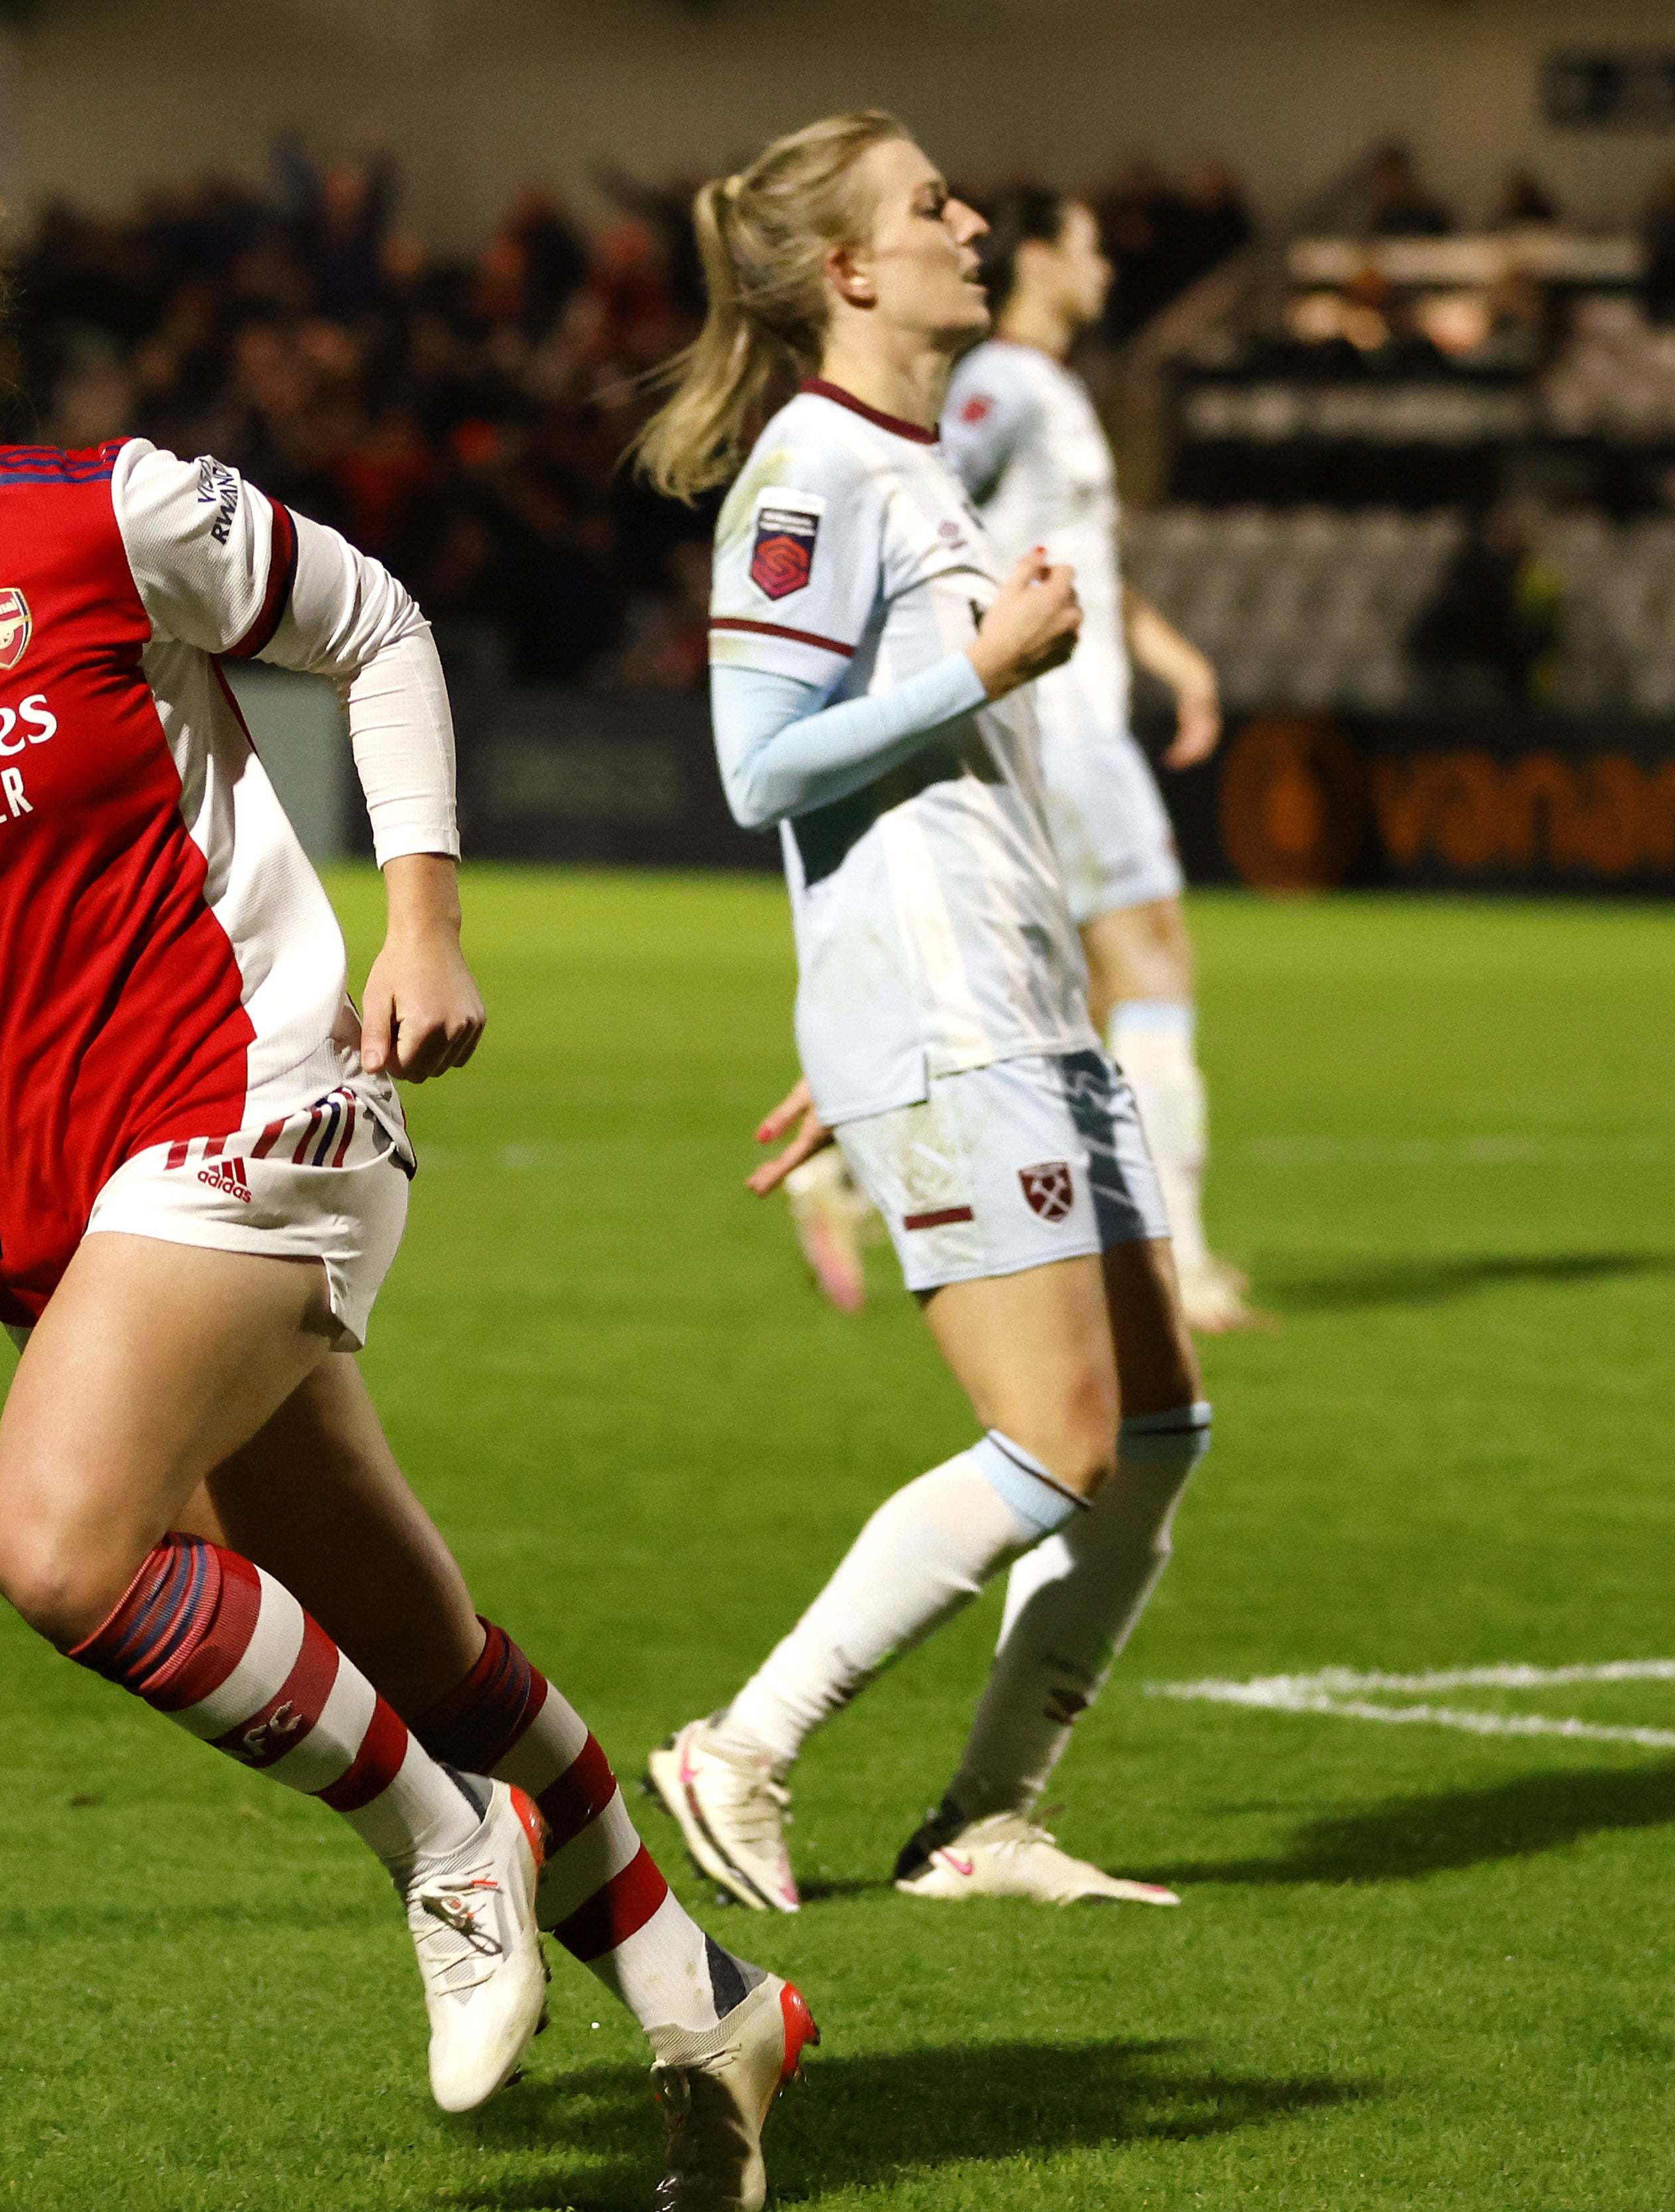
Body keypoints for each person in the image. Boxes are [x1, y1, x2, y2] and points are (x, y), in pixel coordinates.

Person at [0, 167, 810, 2212]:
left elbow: (372, 623)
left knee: (52, 1544)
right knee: (420, 1639)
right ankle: (697, 1989)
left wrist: (422, 920)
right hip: (64, 1217)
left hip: (264, 1103)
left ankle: (443, 1848)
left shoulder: (98, 514)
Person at [629, 114, 1211, 1911]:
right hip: (951, 1022)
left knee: (1158, 1427)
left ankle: (983, 1815)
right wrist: (976, 666)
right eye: (929, 205)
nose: (972, 221)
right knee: (1050, 1441)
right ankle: (744, 1744)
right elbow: (753, 770)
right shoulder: (806, 472)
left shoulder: (915, 464)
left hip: (1007, 1009)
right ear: (846, 273)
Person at [938, 187, 1255, 1331]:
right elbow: (927, 512)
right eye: (1085, 247)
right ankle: (1174, 1261)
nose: (1106, 270)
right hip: (1061, 729)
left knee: (1058, 991)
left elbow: (1079, 561)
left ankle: (884, 1151)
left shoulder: (1056, 389)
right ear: (1035, 259)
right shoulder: (1000, 385)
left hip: (1082, 717)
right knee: (1152, 967)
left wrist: (1173, 659)